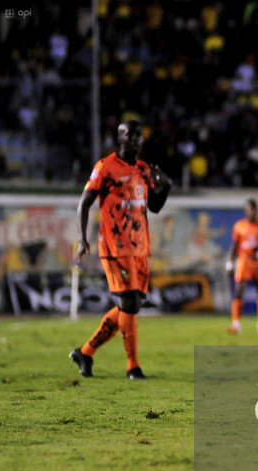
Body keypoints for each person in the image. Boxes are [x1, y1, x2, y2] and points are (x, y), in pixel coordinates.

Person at [68, 120, 172, 379]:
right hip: (115, 246)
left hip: (140, 247)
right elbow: (84, 204)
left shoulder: (143, 169)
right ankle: (133, 366)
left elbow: (155, 207)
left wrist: (166, 187)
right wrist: (83, 239)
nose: (136, 138)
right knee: (130, 303)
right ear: (120, 138)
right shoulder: (105, 167)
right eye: (130, 134)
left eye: (139, 135)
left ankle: (86, 352)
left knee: (131, 305)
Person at [225, 198, 258, 334]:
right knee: (239, 291)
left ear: (256, 210)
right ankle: (236, 325)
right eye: (248, 209)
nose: (250, 212)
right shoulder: (239, 226)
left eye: (252, 209)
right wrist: (230, 263)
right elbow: (234, 245)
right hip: (244, 261)